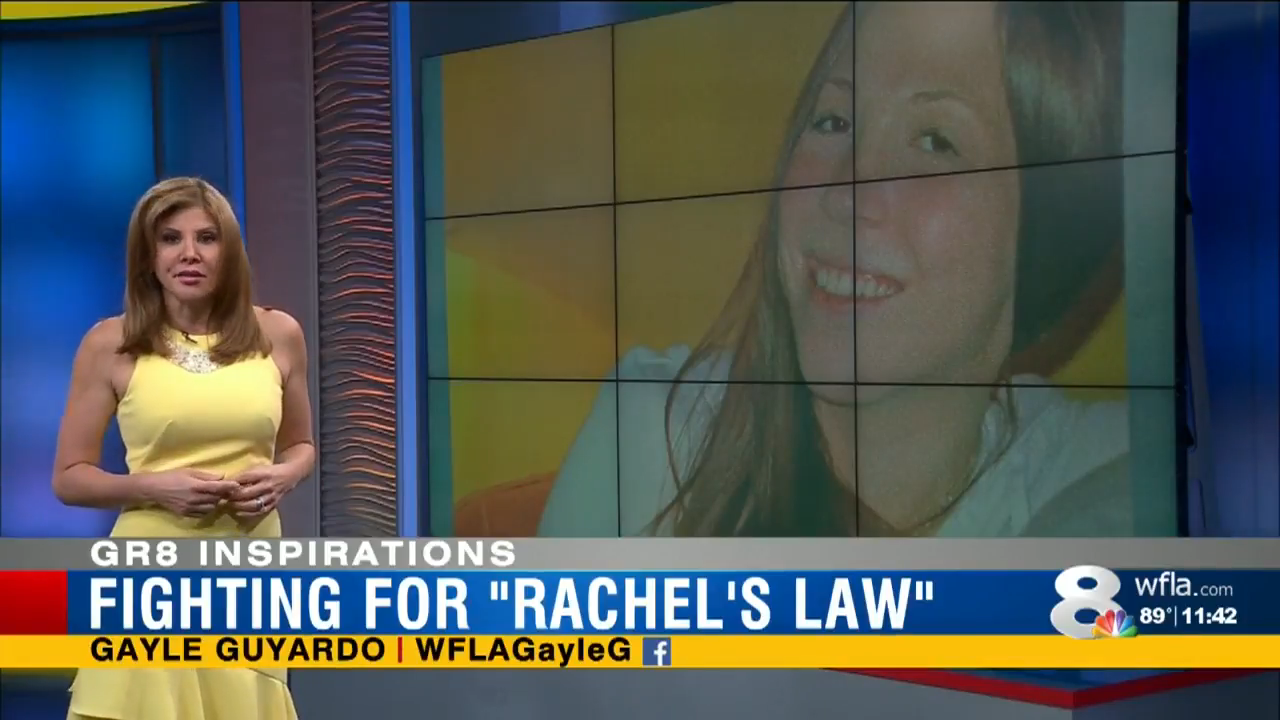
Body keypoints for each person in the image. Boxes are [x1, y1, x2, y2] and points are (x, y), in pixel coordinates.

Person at [539, 1, 1134, 537]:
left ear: (1052, 232)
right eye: (834, 122)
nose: (847, 190)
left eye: (935, 141)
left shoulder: (1109, 471)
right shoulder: (651, 441)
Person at [52, 177, 314, 719]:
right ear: (148, 256)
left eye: (207, 238)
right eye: (170, 238)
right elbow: (70, 477)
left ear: (230, 252)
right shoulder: (111, 344)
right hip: (149, 571)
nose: (189, 254)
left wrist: (284, 476)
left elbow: (302, 446)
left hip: (249, 566)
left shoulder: (279, 334)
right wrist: (154, 487)